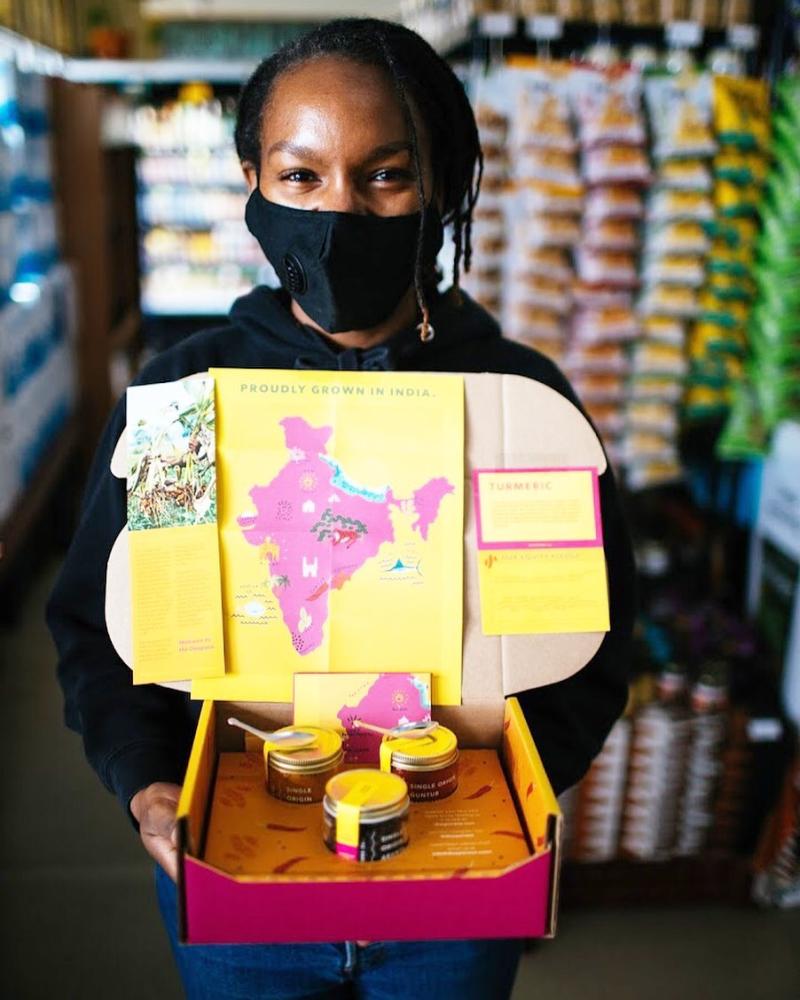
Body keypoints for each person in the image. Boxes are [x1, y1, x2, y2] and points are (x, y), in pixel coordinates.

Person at [47, 17, 636, 1000]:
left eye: (384, 175)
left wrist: (514, 786)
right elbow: (105, 630)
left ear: (436, 184)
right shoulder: (188, 401)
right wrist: (148, 781)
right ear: (251, 180)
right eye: (301, 176)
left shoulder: (514, 402)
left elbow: (587, 637)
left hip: (456, 881)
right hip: (237, 880)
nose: (338, 210)